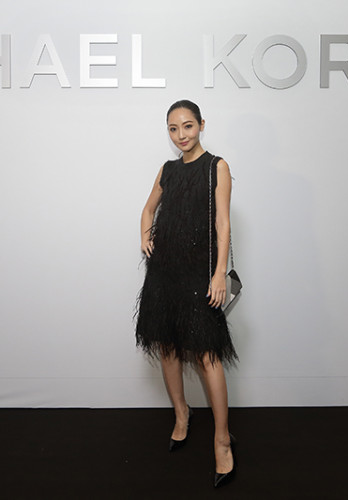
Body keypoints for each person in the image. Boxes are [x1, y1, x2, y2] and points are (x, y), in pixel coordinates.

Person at [135, 99, 239, 488]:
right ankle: (182, 414)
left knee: (208, 355)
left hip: (200, 274)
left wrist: (218, 275)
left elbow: (223, 224)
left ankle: (222, 439)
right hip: (164, 273)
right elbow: (148, 210)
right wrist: (145, 237)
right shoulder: (167, 170)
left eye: (188, 126)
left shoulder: (217, 167)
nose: (181, 135)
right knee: (168, 346)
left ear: (201, 125)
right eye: (173, 128)